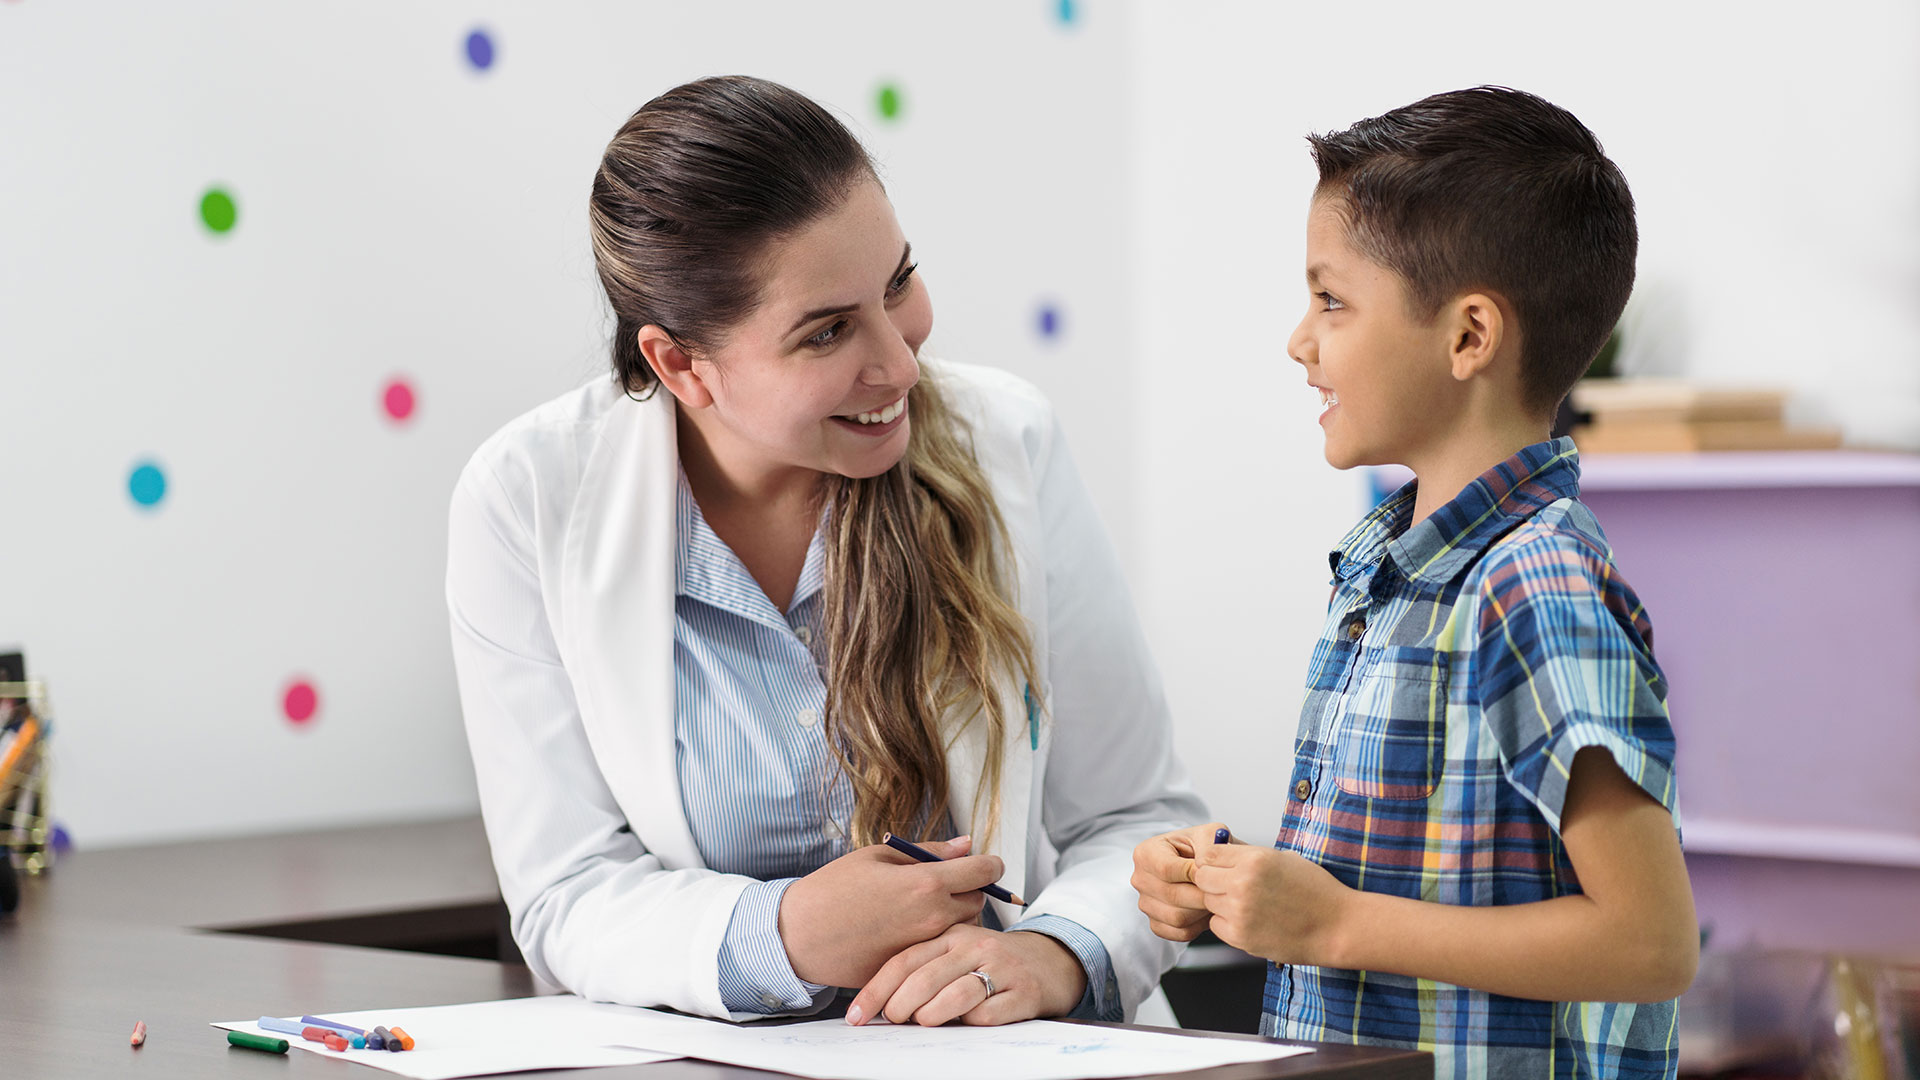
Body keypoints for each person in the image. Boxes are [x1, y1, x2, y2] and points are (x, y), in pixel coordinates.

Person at [447, 75, 1203, 1027]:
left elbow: (1140, 823)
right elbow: (565, 891)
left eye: (897, 283)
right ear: (679, 365)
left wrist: (1053, 955)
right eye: (828, 331)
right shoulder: (524, 498)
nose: (899, 362)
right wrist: (788, 932)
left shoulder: (1008, 441)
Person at [1130, 87, 1697, 1078]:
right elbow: (1413, 880)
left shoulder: (1535, 586)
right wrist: (1232, 889)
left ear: (1470, 336)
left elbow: (1649, 944)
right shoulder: (1392, 577)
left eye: (1332, 301)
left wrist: (1337, 924)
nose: (1299, 341)